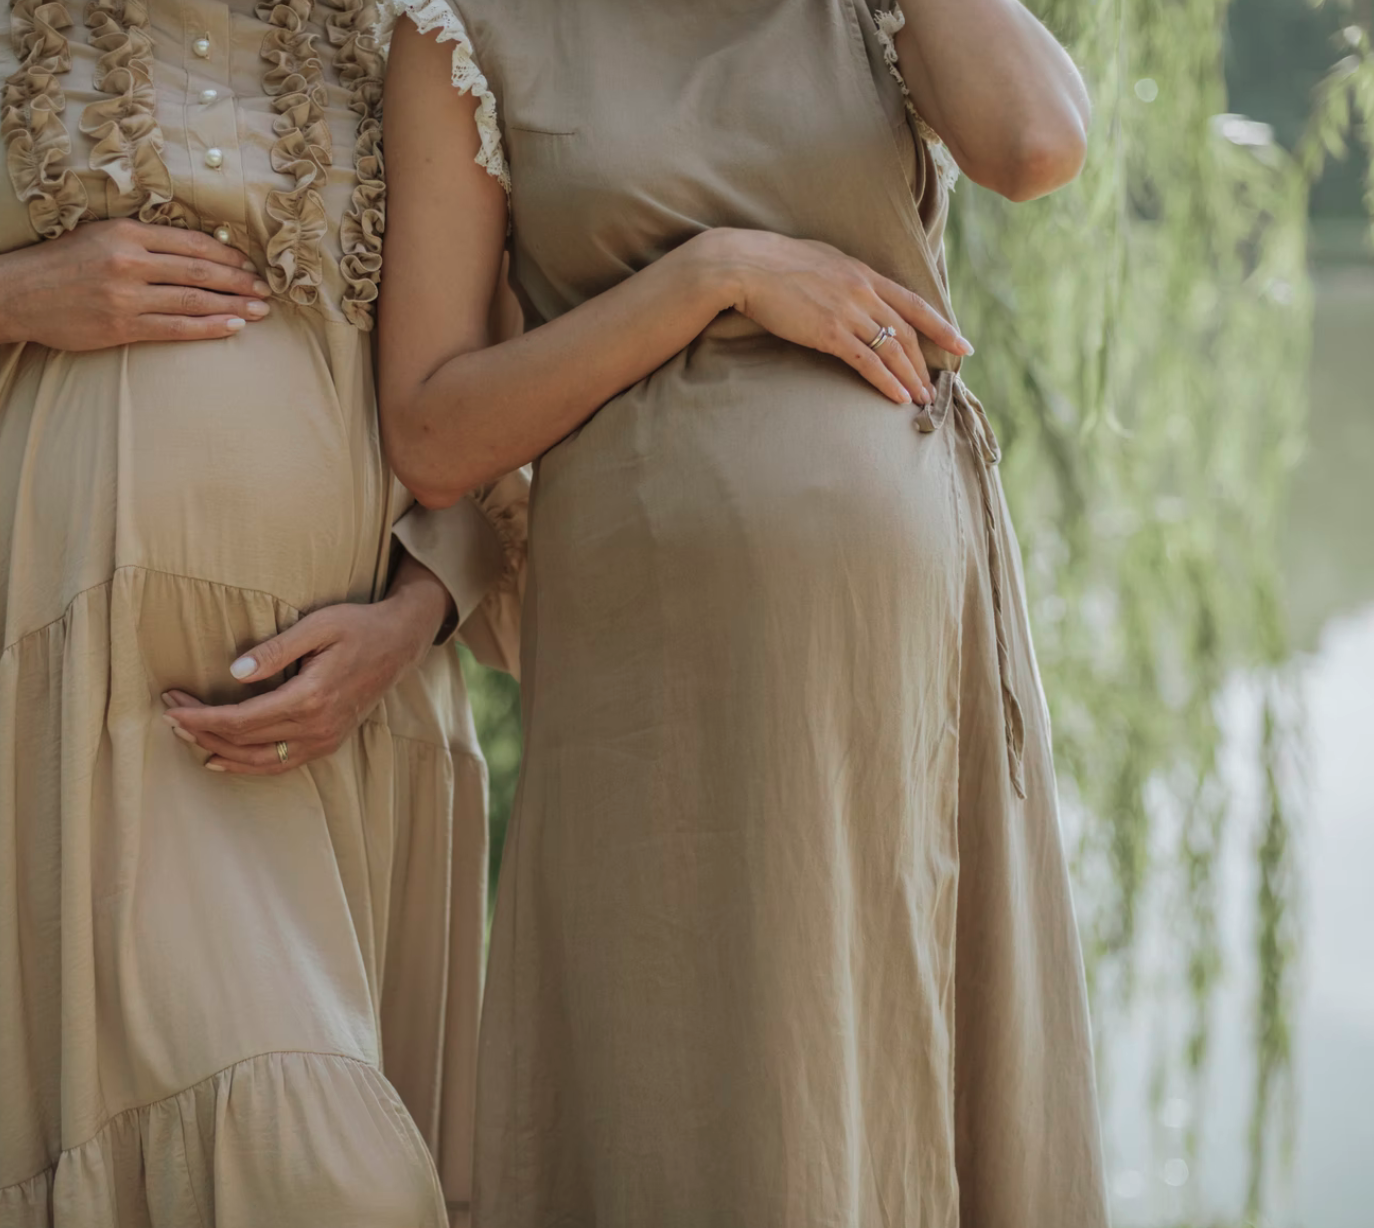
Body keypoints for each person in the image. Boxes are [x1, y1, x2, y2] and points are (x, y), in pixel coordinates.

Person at [0, 0, 523, 1223]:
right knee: (323, 1184)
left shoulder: (408, 22)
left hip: (342, 730)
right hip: (53, 721)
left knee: (333, 1175)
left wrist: (417, 616)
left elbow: (484, 396)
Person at [376, 0, 1108, 1223]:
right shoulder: (462, 27)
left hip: (902, 657)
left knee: (914, 1067)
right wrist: (713, 278)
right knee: (692, 1089)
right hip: (657, 673)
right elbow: (436, 431)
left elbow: (1034, 144)